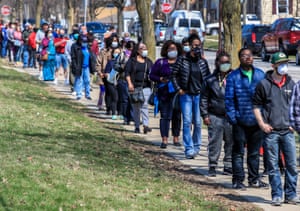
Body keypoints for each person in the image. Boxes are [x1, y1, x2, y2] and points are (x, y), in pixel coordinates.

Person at [252, 52, 299, 206]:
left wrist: (293, 124)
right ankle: (277, 194)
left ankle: (291, 194)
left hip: (288, 131)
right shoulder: (263, 84)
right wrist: (262, 124)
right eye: (281, 63)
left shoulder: (292, 84)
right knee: (273, 165)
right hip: (271, 132)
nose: (284, 66)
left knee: (291, 165)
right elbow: (256, 106)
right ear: (273, 66)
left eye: (286, 63)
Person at [225, 48, 268, 190]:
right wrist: (233, 118)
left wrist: (264, 117)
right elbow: (229, 100)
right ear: (239, 59)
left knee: (254, 153)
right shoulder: (233, 77)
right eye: (244, 56)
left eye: (250, 55)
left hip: (257, 121)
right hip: (240, 121)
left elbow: (266, 98)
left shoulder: (260, 75)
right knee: (238, 152)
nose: (247, 58)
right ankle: (237, 180)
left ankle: (254, 179)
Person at [172, 33, 210, 159]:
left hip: (199, 95)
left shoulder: (203, 62)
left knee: (198, 123)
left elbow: (209, 79)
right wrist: (179, 89)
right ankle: (189, 148)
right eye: (194, 45)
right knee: (187, 121)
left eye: (198, 45)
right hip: (186, 95)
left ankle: (196, 146)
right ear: (189, 45)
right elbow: (173, 75)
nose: (196, 47)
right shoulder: (182, 60)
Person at [200, 51, 233, 177]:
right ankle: (213, 165)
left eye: (227, 62)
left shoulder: (234, 78)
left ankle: (228, 165)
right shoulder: (210, 80)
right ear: (217, 63)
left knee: (231, 142)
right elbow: (203, 98)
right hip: (215, 115)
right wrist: (205, 115)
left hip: (230, 117)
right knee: (215, 142)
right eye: (223, 62)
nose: (225, 65)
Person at [149, 40, 182, 148]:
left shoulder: (181, 62)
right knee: (165, 117)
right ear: (166, 50)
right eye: (170, 49)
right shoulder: (160, 62)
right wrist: (160, 79)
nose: (172, 51)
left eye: (174, 49)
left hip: (177, 94)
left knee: (176, 116)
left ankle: (176, 138)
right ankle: (164, 139)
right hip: (164, 94)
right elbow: (152, 75)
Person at [125, 42, 153, 134]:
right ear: (137, 50)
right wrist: (130, 84)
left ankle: (145, 125)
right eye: (142, 48)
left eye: (145, 48)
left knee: (144, 105)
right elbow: (127, 73)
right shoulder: (132, 61)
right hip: (134, 87)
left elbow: (152, 73)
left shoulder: (148, 62)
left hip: (145, 87)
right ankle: (137, 126)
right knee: (136, 107)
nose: (144, 50)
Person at [71, 34, 96, 100]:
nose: (84, 43)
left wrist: (93, 66)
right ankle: (79, 94)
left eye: (85, 41)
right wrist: (75, 66)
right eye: (83, 41)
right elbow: (73, 57)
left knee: (87, 80)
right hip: (79, 66)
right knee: (80, 80)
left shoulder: (88, 48)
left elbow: (91, 57)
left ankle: (87, 94)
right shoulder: (75, 47)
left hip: (87, 67)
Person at [103, 47, 121, 120]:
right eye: (115, 52)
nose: (117, 54)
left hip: (119, 83)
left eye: (118, 52)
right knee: (114, 97)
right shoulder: (110, 62)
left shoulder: (121, 63)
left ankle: (119, 112)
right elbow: (106, 72)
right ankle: (113, 112)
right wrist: (110, 77)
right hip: (111, 82)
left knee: (119, 98)